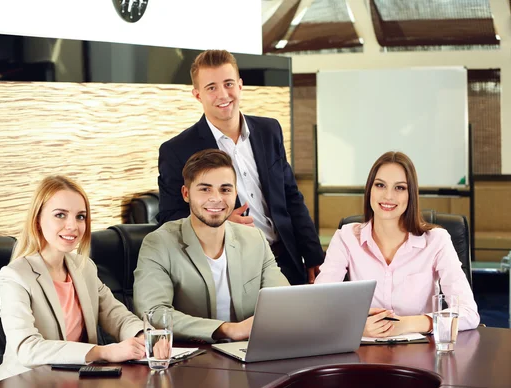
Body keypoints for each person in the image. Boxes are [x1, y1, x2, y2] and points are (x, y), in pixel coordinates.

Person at [156, 49, 323, 285]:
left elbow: (291, 196)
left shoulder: (269, 130)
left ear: (241, 85)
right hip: (228, 268)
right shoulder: (177, 150)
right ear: (197, 95)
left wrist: (314, 255)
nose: (223, 94)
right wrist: (219, 223)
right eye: (211, 87)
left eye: (228, 83)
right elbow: (169, 219)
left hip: (285, 259)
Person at [0, 176, 144, 383]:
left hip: (73, 383)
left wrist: (144, 337)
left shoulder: (84, 267)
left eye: (80, 217)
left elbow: (117, 316)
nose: (73, 225)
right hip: (25, 386)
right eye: (60, 215)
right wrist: (102, 352)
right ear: (37, 220)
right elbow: (26, 348)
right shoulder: (15, 276)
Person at [315, 152, 479, 337]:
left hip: (421, 354)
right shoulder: (346, 237)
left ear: (411, 195)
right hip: (364, 355)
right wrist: (357, 326)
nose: (388, 196)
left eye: (400, 188)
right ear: (370, 189)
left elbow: (469, 314)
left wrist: (408, 324)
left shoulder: (437, 241)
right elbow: (320, 306)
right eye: (380, 185)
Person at [134, 149, 289, 343]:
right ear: (186, 193)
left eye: (225, 189)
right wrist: (228, 330)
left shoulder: (255, 239)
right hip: (192, 360)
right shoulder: (158, 244)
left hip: (249, 352)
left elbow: (282, 301)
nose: (216, 198)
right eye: (205, 189)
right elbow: (154, 312)